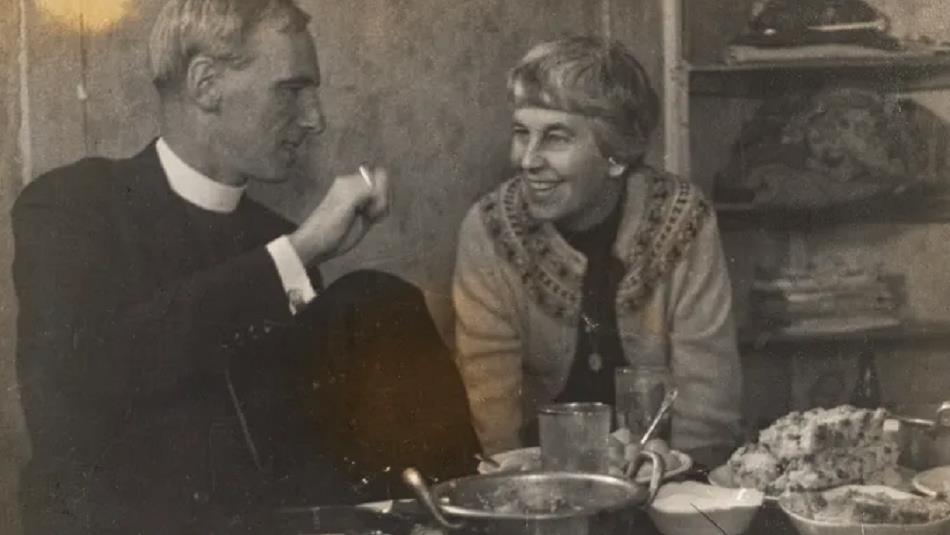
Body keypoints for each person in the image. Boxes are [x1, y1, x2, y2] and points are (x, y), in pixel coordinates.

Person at [12, 1, 476, 533]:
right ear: (207, 84)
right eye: (292, 89)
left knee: (375, 300)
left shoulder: (272, 239)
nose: (315, 119)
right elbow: (79, 386)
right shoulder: (72, 205)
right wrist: (296, 255)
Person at [452, 36, 743, 468]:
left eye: (555, 138)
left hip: (662, 477)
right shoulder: (490, 229)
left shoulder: (684, 219)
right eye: (521, 133)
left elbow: (708, 408)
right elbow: (493, 422)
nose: (527, 160)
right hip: (541, 485)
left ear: (616, 157)